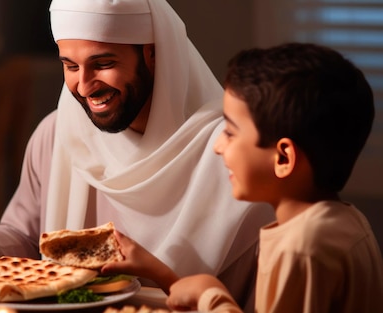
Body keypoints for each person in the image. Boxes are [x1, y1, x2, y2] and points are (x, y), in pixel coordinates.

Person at [0, 0, 274, 308]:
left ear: (153, 54)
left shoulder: (229, 149)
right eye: (70, 66)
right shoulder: (56, 132)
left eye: (103, 63)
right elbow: (25, 235)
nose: (83, 86)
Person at [104, 42, 383, 312]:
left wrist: (211, 294)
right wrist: (164, 275)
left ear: (283, 158)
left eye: (230, 132)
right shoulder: (347, 222)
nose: (218, 146)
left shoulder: (301, 248)